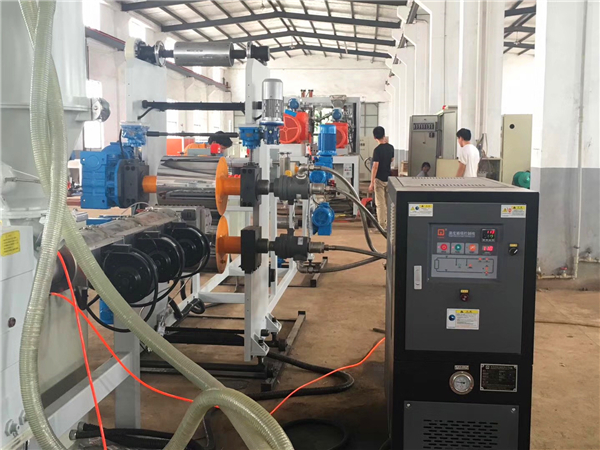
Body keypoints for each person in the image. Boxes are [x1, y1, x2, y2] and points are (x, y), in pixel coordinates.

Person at [369, 126, 394, 229]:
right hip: (388, 178)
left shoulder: (377, 150)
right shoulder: (391, 147)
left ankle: (382, 226)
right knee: (389, 203)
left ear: (375, 137)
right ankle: (390, 225)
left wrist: (372, 183)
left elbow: (375, 167)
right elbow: (392, 160)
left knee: (380, 204)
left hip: (379, 179)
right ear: (384, 135)